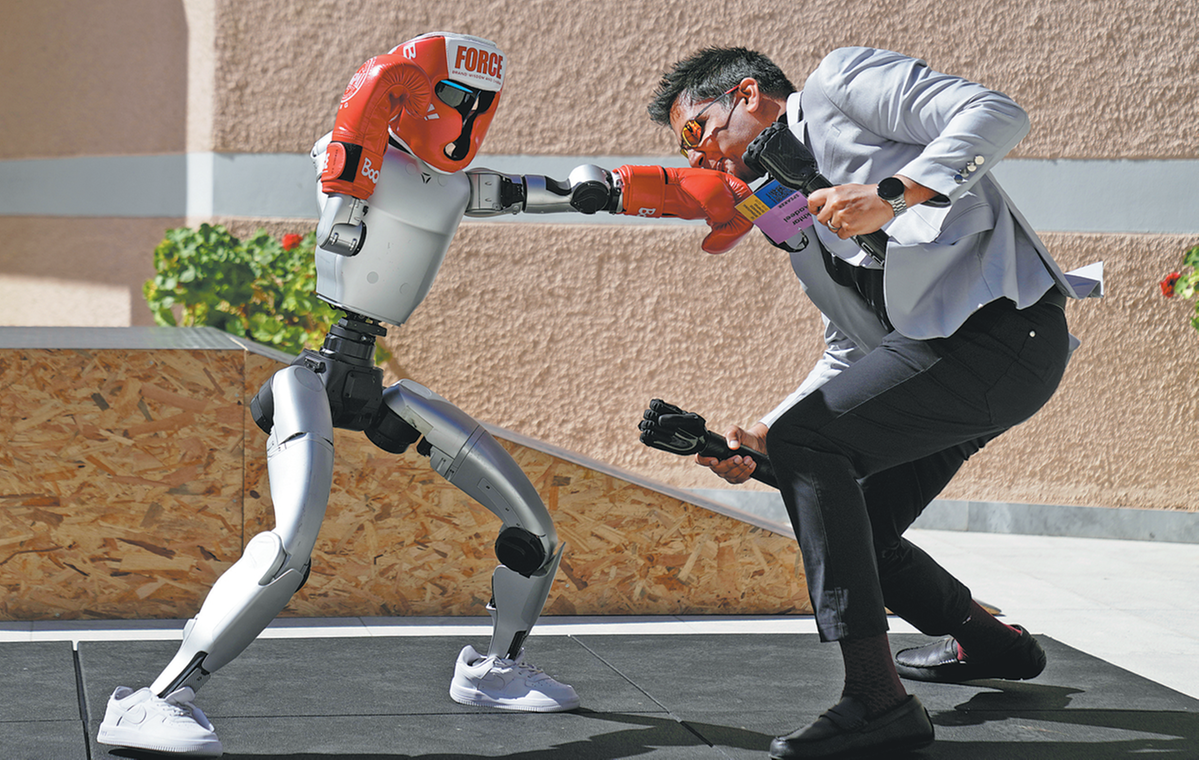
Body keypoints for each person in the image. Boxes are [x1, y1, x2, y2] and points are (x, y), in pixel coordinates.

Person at [96, 31, 753, 758]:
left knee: (532, 532)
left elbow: (574, 194)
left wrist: (680, 194)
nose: (466, 116)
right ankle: (155, 700)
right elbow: (351, 136)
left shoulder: (458, 187)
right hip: (311, 378)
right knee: (290, 546)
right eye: (454, 97)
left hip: (374, 384)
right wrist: (392, 81)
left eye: (480, 103)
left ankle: (495, 671)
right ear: (417, 95)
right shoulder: (357, 160)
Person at [642, 46, 1101, 759]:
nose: (700, 157)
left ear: (746, 95)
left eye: (696, 132)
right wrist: (763, 432)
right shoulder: (787, 215)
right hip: (940, 364)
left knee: (808, 448)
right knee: (854, 521)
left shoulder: (839, 86)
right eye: (687, 150)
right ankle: (993, 645)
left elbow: (996, 114)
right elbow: (850, 346)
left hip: (1002, 336)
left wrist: (894, 192)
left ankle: (875, 699)